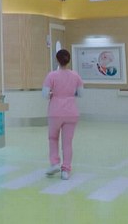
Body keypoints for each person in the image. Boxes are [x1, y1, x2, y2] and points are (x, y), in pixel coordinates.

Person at [42, 49, 83, 180]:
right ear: (69, 60)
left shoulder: (51, 76)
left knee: (53, 138)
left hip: (55, 112)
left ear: (57, 60)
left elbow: (45, 94)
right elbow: (81, 93)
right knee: (67, 143)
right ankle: (66, 170)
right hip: (71, 112)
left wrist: (53, 94)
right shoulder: (76, 76)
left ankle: (54, 163)